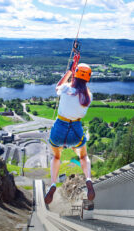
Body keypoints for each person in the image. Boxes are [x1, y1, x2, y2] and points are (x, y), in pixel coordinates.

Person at [44, 62, 95, 204]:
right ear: (88, 79)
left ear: (76, 74)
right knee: (83, 156)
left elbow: (57, 87)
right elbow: (79, 91)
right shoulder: (88, 96)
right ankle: (89, 179)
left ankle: (53, 183)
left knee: (56, 156)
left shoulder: (66, 88)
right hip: (76, 131)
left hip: (59, 128)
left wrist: (69, 72)